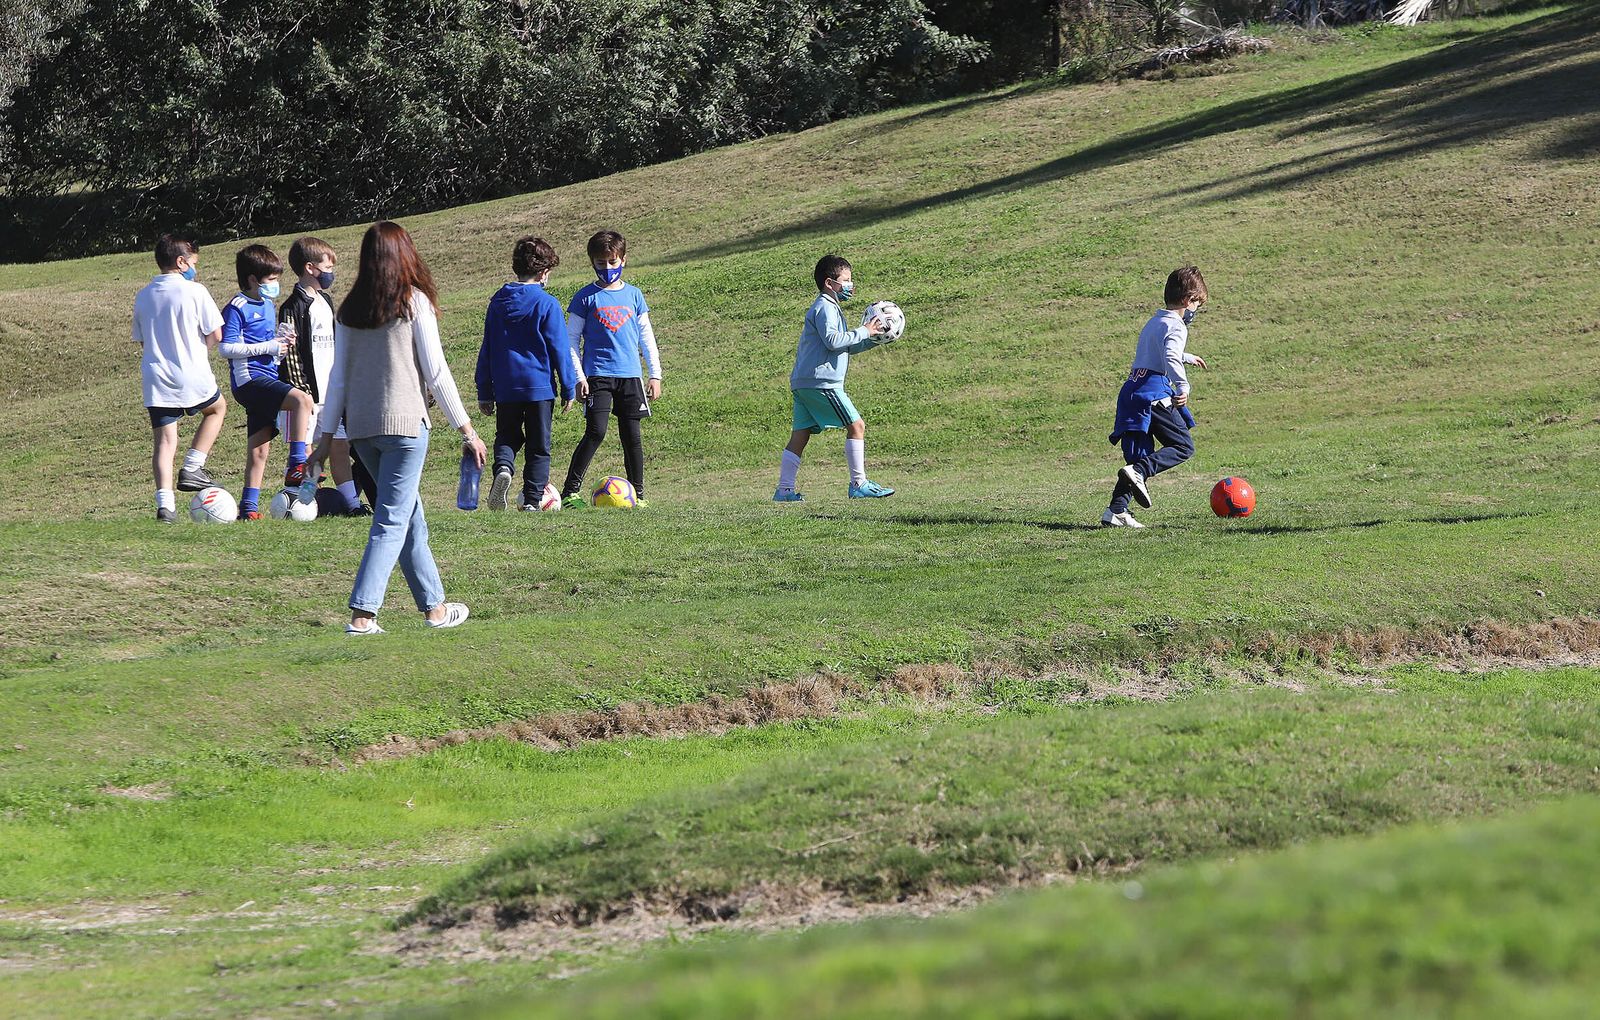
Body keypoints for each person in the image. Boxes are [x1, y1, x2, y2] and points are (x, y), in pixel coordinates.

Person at [312, 221, 486, 634]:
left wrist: (323, 440)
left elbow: (337, 379)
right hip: (406, 428)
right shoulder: (414, 302)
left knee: (410, 518)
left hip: (362, 432)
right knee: (392, 519)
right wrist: (468, 430)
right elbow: (437, 372)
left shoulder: (350, 310)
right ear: (404, 253)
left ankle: (435, 610)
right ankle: (362, 614)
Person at [773, 254, 892, 503]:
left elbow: (841, 346)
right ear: (829, 283)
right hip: (822, 384)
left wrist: (872, 340)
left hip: (804, 383)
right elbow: (833, 340)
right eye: (846, 280)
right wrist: (864, 330)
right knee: (856, 426)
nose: (850, 285)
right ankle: (859, 484)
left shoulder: (828, 307)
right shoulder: (825, 307)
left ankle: (784, 491)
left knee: (800, 435)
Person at [557, 229, 662, 508]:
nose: (607, 268)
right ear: (592, 262)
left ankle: (638, 496)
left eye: (612, 262)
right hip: (597, 377)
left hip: (630, 377)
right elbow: (570, 341)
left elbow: (646, 338)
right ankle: (570, 493)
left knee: (633, 437)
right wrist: (579, 378)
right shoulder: (584, 298)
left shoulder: (635, 295)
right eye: (601, 263)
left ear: (623, 260)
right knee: (596, 432)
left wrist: (655, 374)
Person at [1103, 265, 1210, 528]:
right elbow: (1170, 356)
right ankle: (1139, 472)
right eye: (1198, 304)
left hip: (1132, 393)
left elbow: (1158, 354)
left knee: (1138, 456)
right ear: (1189, 299)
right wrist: (1183, 387)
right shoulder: (1177, 325)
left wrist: (1187, 357)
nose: (1196, 311)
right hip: (1153, 394)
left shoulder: (1155, 321)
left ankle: (1117, 511)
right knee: (1183, 446)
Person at [131, 233, 229, 522]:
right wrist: (199, 350)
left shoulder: (144, 294)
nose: (195, 268)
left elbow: (143, 341)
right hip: (192, 372)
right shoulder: (195, 291)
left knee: (164, 441)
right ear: (181, 261)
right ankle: (193, 466)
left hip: (156, 377)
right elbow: (216, 334)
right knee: (217, 408)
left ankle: (165, 506)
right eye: (194, 262)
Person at [277, 235, 376, 516]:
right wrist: (300, 388)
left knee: (339, 446)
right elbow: (290, 352)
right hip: (308, 395)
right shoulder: (292, 307)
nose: (331, 273)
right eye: (327, 267)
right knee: (308, 452)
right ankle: (305, 501)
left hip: (332, 393)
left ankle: (352, 503)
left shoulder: (326, 301)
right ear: (310, 268)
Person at [476, 236, 575, 511]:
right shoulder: (547, 304)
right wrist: (568, 387)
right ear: (544, 272)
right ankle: (532, 500)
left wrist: (484, 391)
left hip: (506, 387)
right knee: (538, 446)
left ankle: (504, 469)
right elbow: (559, 348)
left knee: (506, 435)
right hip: (539, 387)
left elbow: (488, 348)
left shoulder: (497, 302)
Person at [219, 244, 315, 520]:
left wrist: (282, 348)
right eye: (271, 280)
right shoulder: (237, 307)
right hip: (249, 380)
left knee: (259, 448)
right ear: (252, 279)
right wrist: (269, 347)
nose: (276, 285)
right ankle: (297, 463)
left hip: (267, 376)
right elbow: (227, 348)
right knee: (301, 400)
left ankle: (248, 508)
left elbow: (270, 347)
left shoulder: (268, 306)